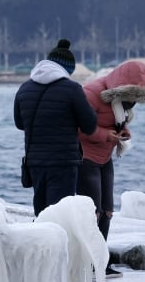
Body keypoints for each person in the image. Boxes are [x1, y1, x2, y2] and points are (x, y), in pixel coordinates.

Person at [14, 39, 96, 215]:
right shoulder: (72, 89)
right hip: (63, 163)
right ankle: (58, 243)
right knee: (60, 214)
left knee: (41, 212)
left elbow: (19, 123)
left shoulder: (24, 88)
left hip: (34, 162)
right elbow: (90, 126)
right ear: (67, 69)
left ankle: (40, 242)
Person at [77, 59, 145, 244]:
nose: (132, 101)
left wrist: (123, 131)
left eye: (136, 97)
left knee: (107, 210)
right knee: (93, 211)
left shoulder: (121, 101)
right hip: (85, 157)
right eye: (130, 95)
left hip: (105, 158)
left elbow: (116, 120)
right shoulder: (90, 93)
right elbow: (77, 126)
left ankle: (101, 258)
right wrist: (104, 135)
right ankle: (89, 259)